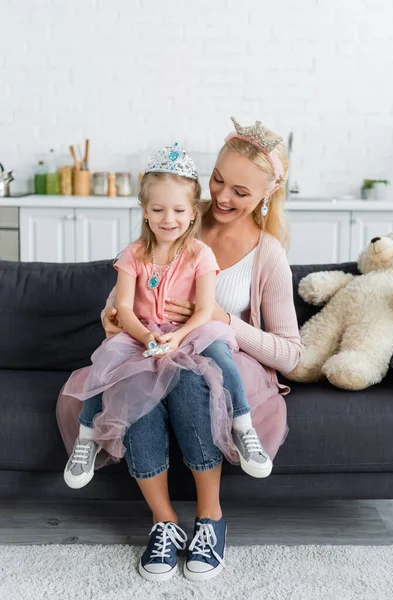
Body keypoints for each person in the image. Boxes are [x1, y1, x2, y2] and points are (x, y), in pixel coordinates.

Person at [57, 118, 301, 583]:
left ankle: (210, 518)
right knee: (141, 373)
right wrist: (111, 318)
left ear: (267, 195)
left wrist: (219, 318)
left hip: (220, 361)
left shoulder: (267, 254)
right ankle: (163, 522)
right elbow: (126, 300)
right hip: (154, 346)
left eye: (242, 193)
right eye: (217, 181)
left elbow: (291, 355)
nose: (223, 198)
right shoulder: (176, 211)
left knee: (190, 375)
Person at [59, 143, 271, 498]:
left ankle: (243, 425)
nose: (167, 219)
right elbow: (124, 307)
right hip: (143, 332)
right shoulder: (133, 254)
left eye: (177, 210)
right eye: (157, 209)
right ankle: (87, 438)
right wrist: (144, 337)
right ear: (144, 211)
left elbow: (205, 309)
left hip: (190, 332)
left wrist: (181, 334)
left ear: (192, 214)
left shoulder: (200, 253)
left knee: (219, 351)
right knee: (108, 357)